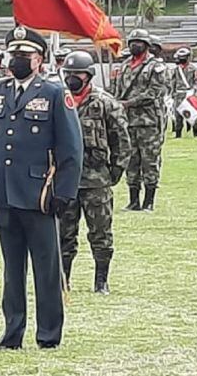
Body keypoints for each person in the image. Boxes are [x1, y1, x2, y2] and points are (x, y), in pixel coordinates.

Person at [0, 26, 83, 350]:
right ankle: (12, 333)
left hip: (40, 196)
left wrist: (65, 192)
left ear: (39, 60)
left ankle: (48, 335)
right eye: (13, 55)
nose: (16, 61)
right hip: (4, 194)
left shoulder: (52, 93)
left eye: (24, 56)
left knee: (46, 270)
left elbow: (71, 149)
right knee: (12, 270)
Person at [59, 51, 130, 295]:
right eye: (67, 74)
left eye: (76, 74)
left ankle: (101, 281)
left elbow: (120, 139)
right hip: (64, 180)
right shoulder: (59, 100)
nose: (71, 79)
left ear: (88, 76)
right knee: (63, 234)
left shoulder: (105, 103)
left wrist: (115, 171)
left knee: (100, 232)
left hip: (96, 179)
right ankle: (63, 279)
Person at [113, 29, 168, 211]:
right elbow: (118, 90)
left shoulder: (156, 67)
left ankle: (149, 201)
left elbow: (154, 93)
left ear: (146, 45)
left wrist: (128, 103)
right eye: (132, 42)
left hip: (149, 122)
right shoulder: (124, 66)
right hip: (128, 122)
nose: (135, 45)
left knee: (149, 161)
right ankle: (134, 200)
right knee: (131, 160)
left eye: (139, 42)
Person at [170, 47, 197, 138]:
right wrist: (172, 92)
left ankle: (195, 132)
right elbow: (173, 81)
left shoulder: (194, 68)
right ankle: (178, 134)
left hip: (190, 94)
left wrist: (194, 91)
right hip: (178, 94)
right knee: (178, 116)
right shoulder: (176, 69)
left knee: (192, 115)